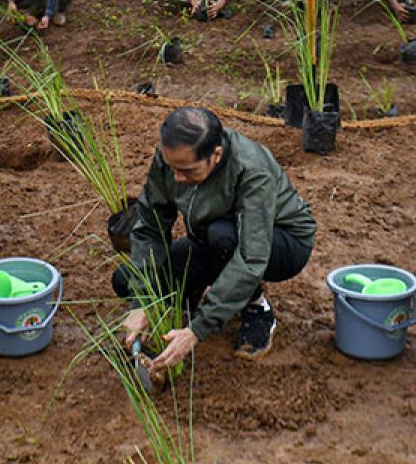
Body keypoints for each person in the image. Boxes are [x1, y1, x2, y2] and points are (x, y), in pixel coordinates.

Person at [114, 107, 316, 365]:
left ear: (216, 155)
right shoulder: (173, 158)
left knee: (222, 235)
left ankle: (256, 307)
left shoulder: (251, 169)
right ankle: (206, 289)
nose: (177, 177)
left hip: (281, 243)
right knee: (124, 280)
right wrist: (143, 300)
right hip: (212, 242)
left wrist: (197, 329)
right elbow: (150, 226)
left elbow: (251, 256)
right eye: (172, 167)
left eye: (187, 171)